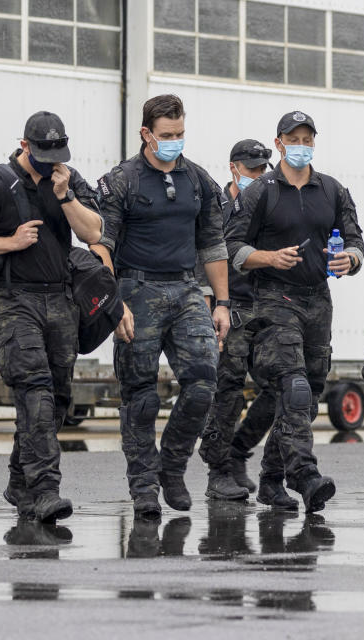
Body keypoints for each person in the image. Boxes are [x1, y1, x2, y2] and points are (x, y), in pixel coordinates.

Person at [0, 111, 103, 523]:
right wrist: (10, 242)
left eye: (57, 153)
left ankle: (19, 482)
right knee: (34, 393)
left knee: (57, 402)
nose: (50, 159)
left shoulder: (67, 179)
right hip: (17, 302)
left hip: (62, 302)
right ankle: (45, 489)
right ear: (24, 144)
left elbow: (95, 233)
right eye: (42, 152)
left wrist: (67, 196)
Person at [93, 94, 231, 519]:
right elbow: (102, 246)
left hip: (186, 288)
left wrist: (222, 302)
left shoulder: (198, 180)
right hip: (137, 288)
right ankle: (144, 487)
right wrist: (115, 305)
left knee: (205, 382)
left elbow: (212, 244)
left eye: (180, 134)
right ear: (146, 134)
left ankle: (171, 466)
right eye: (167, 135)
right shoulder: (122, 180)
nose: (174, 142)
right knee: (140, 395)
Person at [225, 110, 364, 513]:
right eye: (294, 138)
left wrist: (350, 259)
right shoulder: (261, 191)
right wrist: (268, 257)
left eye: (308, 138)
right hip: (272, 298)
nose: (301, 145)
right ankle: (304, 474)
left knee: (308, 393)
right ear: (279, 142)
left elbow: (356, 239)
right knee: (293, 385)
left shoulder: (332, 190)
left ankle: (270, 479)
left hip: (318, 299)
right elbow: (231, 246)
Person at [197, 139, 277, 500]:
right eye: (252, 169)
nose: (259, 175)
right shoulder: (215, 205)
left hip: (265, 306)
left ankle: (239, 450)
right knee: (226, 391)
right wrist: (211, 306)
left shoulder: (272, 202)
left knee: (279, 387)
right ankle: (218, 472)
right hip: (228, 307)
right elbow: (206, 252)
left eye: (264, 169)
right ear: (234, 168)